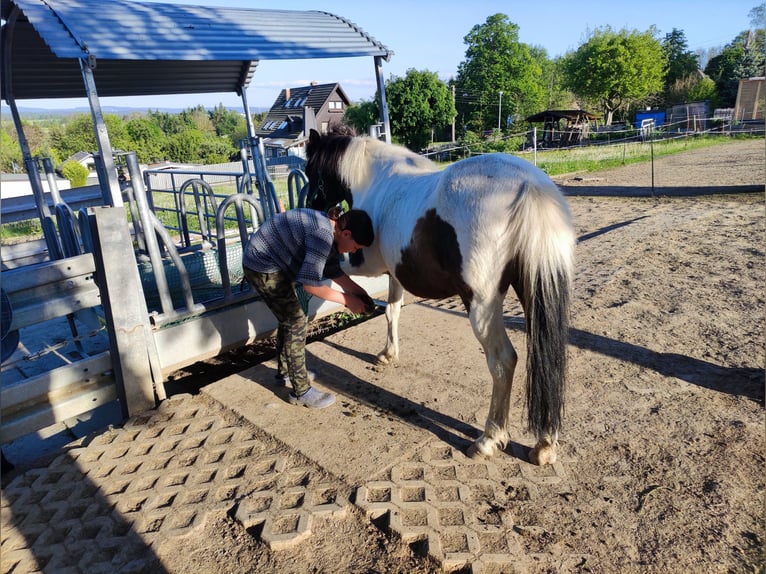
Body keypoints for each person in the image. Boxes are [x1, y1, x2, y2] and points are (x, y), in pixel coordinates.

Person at [243, 207, 375, 409]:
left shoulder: (331, 230)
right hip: (262, 266)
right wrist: (348, 301)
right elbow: (310, 285)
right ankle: (301, 391)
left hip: (272, 262)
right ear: (346, 234)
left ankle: (287, 373)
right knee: (296, 320)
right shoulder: (323, 236)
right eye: (356, 247)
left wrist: (359, 294)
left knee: (289, 318)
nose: (354, 251)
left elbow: (332, 270)